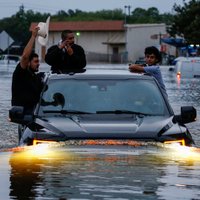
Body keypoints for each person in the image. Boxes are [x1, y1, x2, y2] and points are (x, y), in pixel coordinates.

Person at [11, 26, 44, 114]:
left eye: (38, 61)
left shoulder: (37, 78)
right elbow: (25, 56)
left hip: (36, 113)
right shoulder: (20, 73)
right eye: (36, 62)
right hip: (23, 115)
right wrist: (33, 36)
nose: (38, 64)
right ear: (28, 63)